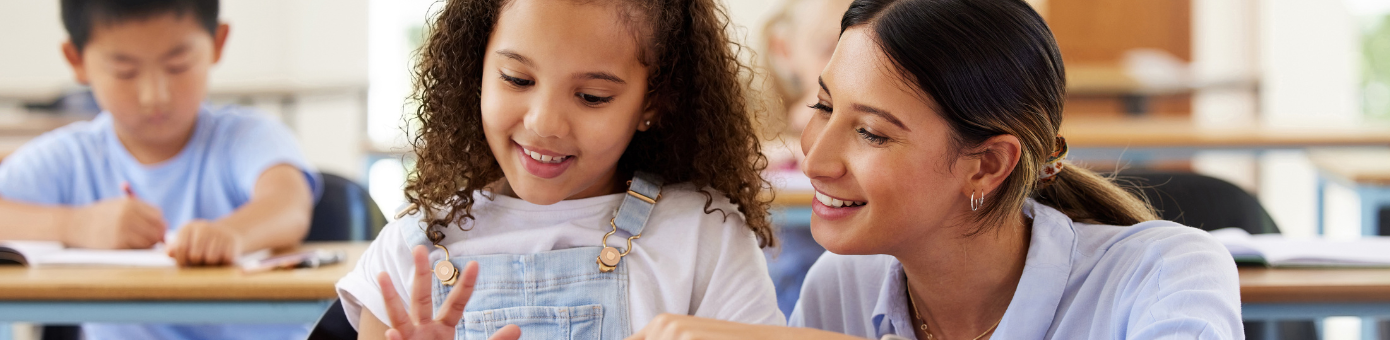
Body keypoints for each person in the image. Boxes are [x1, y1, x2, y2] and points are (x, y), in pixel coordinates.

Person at [626, 0, 1244, 339]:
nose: (814, 159)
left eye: (871, 132)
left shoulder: (1167, 273)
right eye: (823, 106)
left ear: (987, 164)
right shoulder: (841, 287)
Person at [333, 0, 784, 339]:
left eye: (592, 97)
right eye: (517, 80)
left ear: (653, 102)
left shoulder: (706, 236)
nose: (544, 123)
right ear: (477, 71)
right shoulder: (412, 248)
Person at [0, 0, 321, 339]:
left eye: (177, 66)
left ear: (218, 43)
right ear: (76, 60)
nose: (155, 95)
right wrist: (74, 224)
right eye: (125, 72)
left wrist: (233, 234)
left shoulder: (247, 137)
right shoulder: (71, 156)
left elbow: (289, 203)